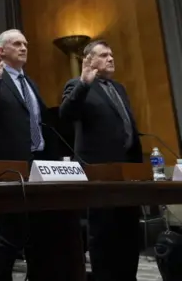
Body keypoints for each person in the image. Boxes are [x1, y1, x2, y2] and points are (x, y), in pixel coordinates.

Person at [60, 39, 142, 281]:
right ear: (89, 60)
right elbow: (66, 114)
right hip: (99, 173)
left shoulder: (119, 88)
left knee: (129, 232)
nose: (111, 58)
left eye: (111, 54)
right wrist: (84, 83)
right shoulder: (77, 85)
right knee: (104, 234)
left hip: (127, 172)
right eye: (104, 55)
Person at [0, 29, 52, 281]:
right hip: (8, 165)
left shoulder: (30, 83)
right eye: (17, 43)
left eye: (25, 43)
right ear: (1, 50)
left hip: (37, 164)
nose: (23, 47)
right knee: (12, 232)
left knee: (38, 232)